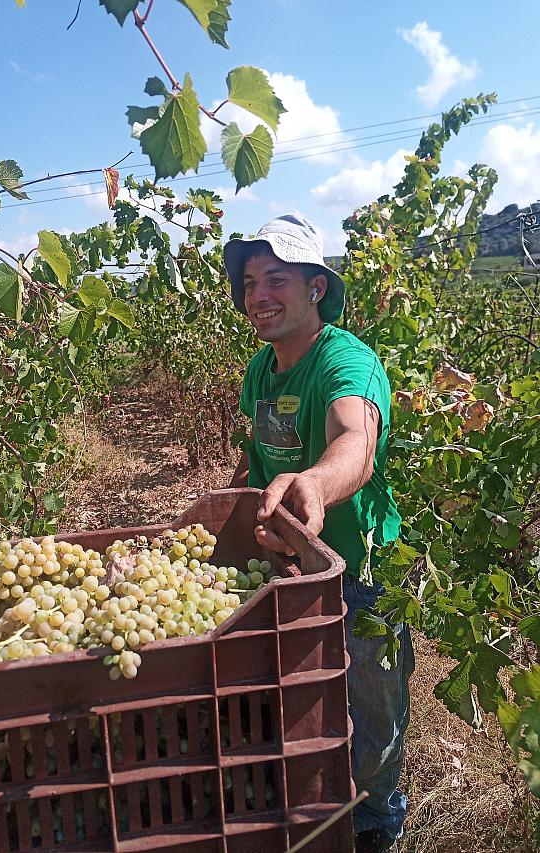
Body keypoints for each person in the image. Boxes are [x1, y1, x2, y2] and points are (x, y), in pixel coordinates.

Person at [223, 214, 414, 853]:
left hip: (358, 571)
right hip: (289, 569)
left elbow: (355, 440)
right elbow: (255, 456)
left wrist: (315, 486)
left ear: (316, 289)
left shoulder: (347, 363)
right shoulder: (263, 368)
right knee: (299, 700)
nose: (259, 296)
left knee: (370, 711)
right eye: (250, 282)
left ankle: (376, 823)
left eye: (276, 279)